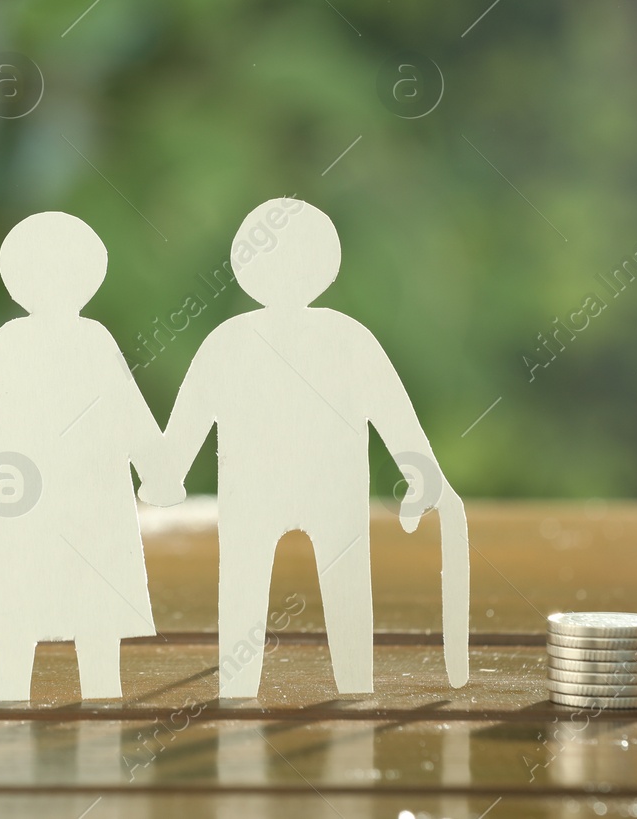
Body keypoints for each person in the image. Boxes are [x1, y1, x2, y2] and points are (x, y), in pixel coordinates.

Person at [154, 197, 467, 697]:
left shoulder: (226, 341)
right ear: (329, 265)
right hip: (329, 493)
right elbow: (395, 417)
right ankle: (352, 685)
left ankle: (242, 689)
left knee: (245, 586)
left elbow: (179, 442)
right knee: (339, 589)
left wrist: (161, 478)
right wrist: (421, 476)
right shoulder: (348, 336)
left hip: (257, 496)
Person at [0, 211, 169, 702]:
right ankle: (75, 705)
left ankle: (30, 703)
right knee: (64, 615)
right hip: (63, 499)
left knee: (38, 614)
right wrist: (159, 473)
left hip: (34, 496)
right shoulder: (71, 341)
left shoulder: (22, 342)